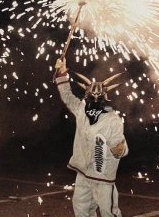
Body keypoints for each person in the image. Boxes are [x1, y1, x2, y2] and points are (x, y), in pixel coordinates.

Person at [55, 58, 128, 217]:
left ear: (104, 97)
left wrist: (117, 149)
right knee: (81, 208)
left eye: (98, 96)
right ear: (87, 94)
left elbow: (119, 145)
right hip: (83, 171)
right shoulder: (81, 110)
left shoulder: (112, 118)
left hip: (102, 175)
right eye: (91, 95)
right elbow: (68, 96)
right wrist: (61, 74)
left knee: (108, 211)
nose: (94, 98)